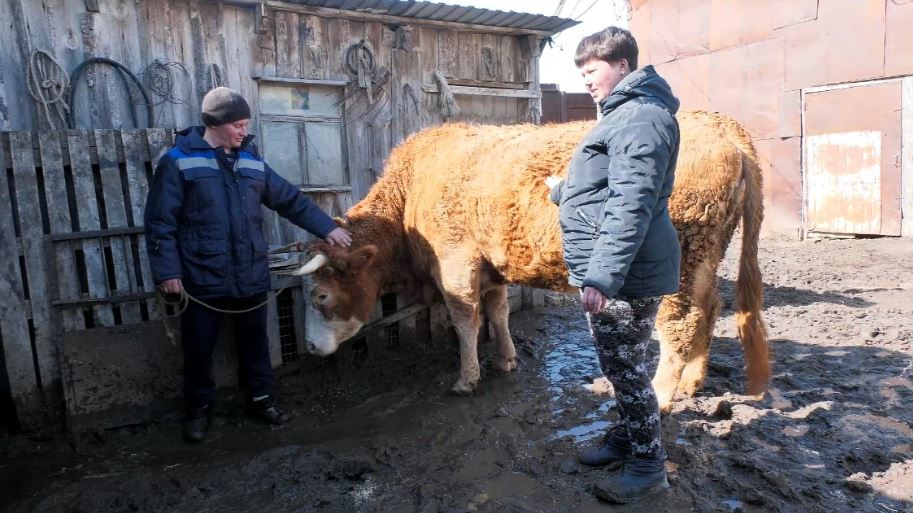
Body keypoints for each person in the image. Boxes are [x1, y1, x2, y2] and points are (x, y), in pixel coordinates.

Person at [145, 87, 352, 443]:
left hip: (250, 274)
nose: (243, 131)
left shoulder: (252, 162)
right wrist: (168, 272)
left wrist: (328, 228)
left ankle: (261, 401)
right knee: (199, 349)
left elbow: (288, 199)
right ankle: (198, 411)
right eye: (238, 125)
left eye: (245, 125)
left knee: (256, 344)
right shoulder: (179, 161)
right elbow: (160, 222)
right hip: (202, 277)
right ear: (217, 123)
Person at [547, 27, 681, 503]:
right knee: (628, 362)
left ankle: (648, 465)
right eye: (580, 72)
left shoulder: (640, 118)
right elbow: (609, 188)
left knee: (623, 367)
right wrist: (565, 191)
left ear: (622, 66)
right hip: (630, 265)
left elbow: (632, 202)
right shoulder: (625, 115)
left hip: (627, 271)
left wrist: (602, 276)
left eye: (592, 70)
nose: (586, 80)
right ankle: (628, 439)